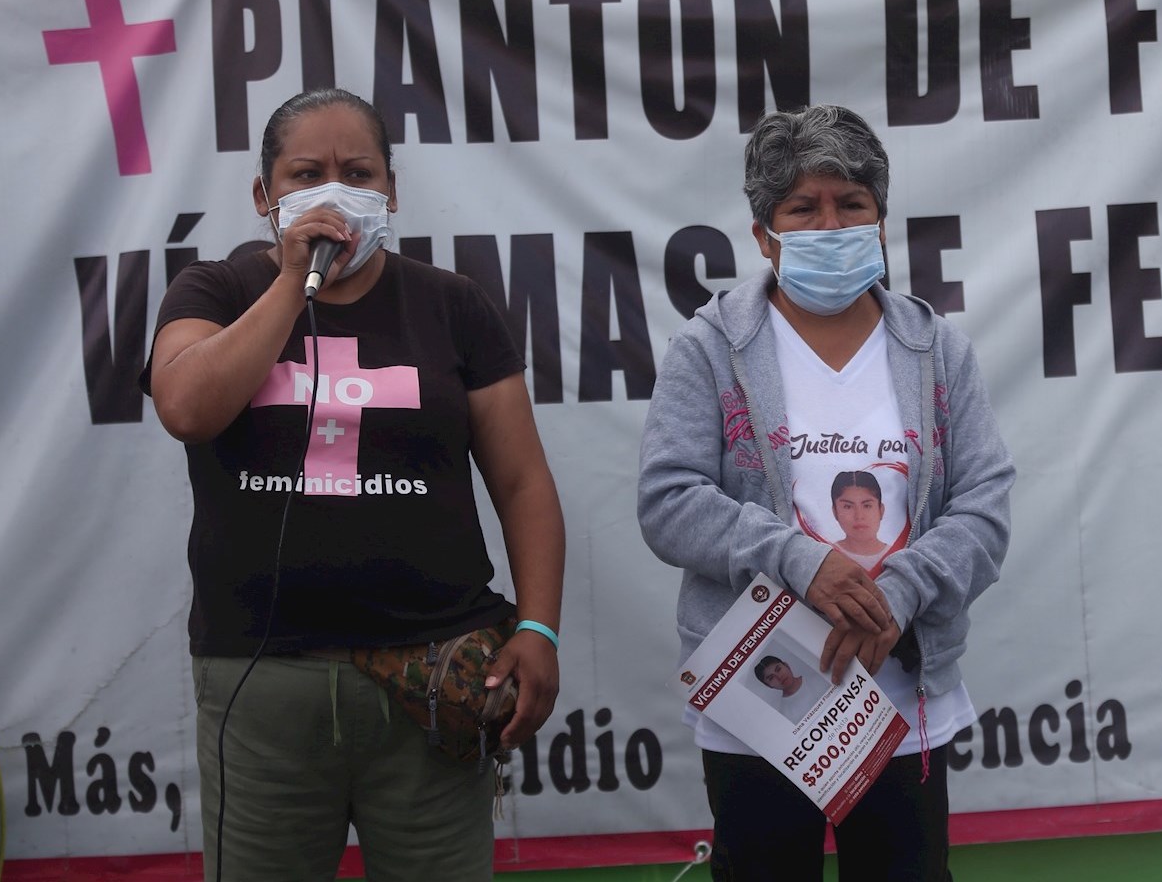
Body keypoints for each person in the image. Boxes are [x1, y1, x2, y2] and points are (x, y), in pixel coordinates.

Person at [144, 88, 565, 882]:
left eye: (358, 171)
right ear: (265, 196)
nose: (334, 189)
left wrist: (538, 628)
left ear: (392, 192)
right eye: (306, 173)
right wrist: (290, 284)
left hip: (431, 673)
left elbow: (522, 481)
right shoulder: (215, 291)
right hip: (261, 682)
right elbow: (187, 407)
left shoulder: (453, 305)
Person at [638, 104, 1013, 880]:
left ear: (881, 221)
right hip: (761, 704)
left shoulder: (936, 350)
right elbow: (668, 500)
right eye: (802, 208)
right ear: (762, 233)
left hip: (900, 703)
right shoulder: (711, 349)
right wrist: (804, 564)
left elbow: (984, 504)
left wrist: (899, 595)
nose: (829, 222)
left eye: (851, 204)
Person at [828, 470, 893, 567]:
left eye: (867, 506)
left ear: (881, 510)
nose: (859, 516)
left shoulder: (897, 555)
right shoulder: (826, 558)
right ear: (835, 512)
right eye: (848, 507)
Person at [752, 655, 819, 725]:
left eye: (778, 669)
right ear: (768, 685)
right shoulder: (785, 714)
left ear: (787, 666)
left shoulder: (816, 678)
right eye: (771, 678)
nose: (779, 677)